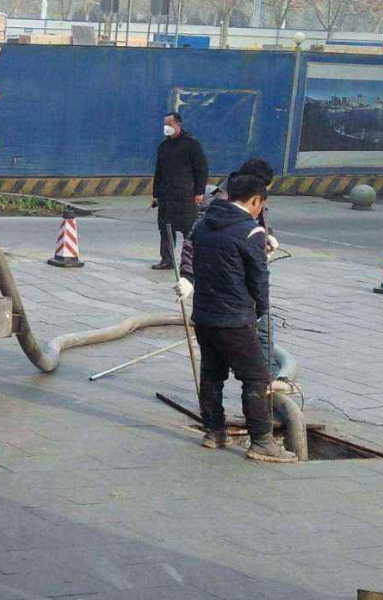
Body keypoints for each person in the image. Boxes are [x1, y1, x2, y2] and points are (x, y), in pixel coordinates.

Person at [186, 173, 296, 463]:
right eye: (261, 204)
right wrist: (259, 310)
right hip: (235, 317)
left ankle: (214, 432)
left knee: (212, 374)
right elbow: (259, 280)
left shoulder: (202, 225)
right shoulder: (250, 231)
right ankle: (262, 442)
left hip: (204, 314)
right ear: (255, 200)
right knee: (256, 378)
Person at [176, 158, 280, 377]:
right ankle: (263, 383)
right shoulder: (219, 203)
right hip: (226, 282)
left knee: (261, 330)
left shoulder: (250, 196)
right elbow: (193, 240)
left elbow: (258, 225)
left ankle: (266, 380)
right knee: (251, 341)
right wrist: (187, 276)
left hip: (244, 274)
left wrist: (267, 237)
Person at [151, 112, 208, 270]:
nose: (166, 128)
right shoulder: (164, 146)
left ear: (178, 124)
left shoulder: (191, 144)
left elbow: (201, 169)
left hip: (186, 195)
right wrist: (155, 194)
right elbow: (159, 172)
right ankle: (167, 260)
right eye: (165, 124)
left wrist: (199, 192)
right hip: (166, 196)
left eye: (169, 124)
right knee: (165, 229)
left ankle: (192, 261)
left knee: (188, 230)